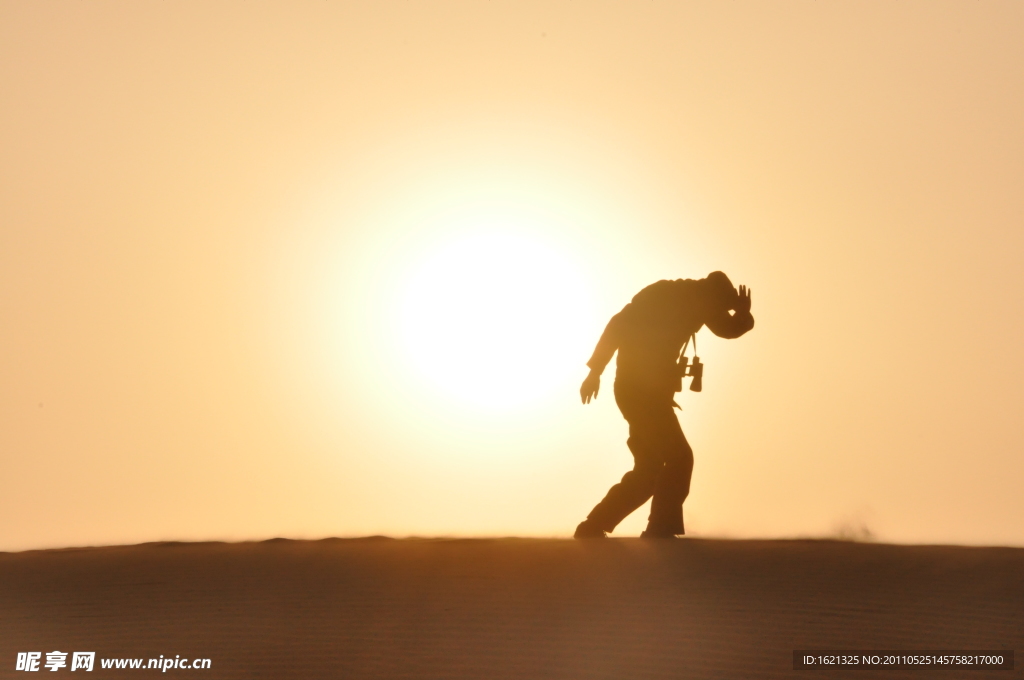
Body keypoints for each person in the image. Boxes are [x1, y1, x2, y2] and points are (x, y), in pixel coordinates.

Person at [574, 271, 754, 539]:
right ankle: (661, 529)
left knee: (649, 469)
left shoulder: (700, 302)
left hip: (650, 394)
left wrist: (742, 314)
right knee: (680, 458)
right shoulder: (664, 296)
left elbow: (726, 329)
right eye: (719, 306)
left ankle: (593, 526)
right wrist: (595, 371)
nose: (717, 313)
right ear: (709, 296)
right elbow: (618, 325)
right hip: (638, 392)